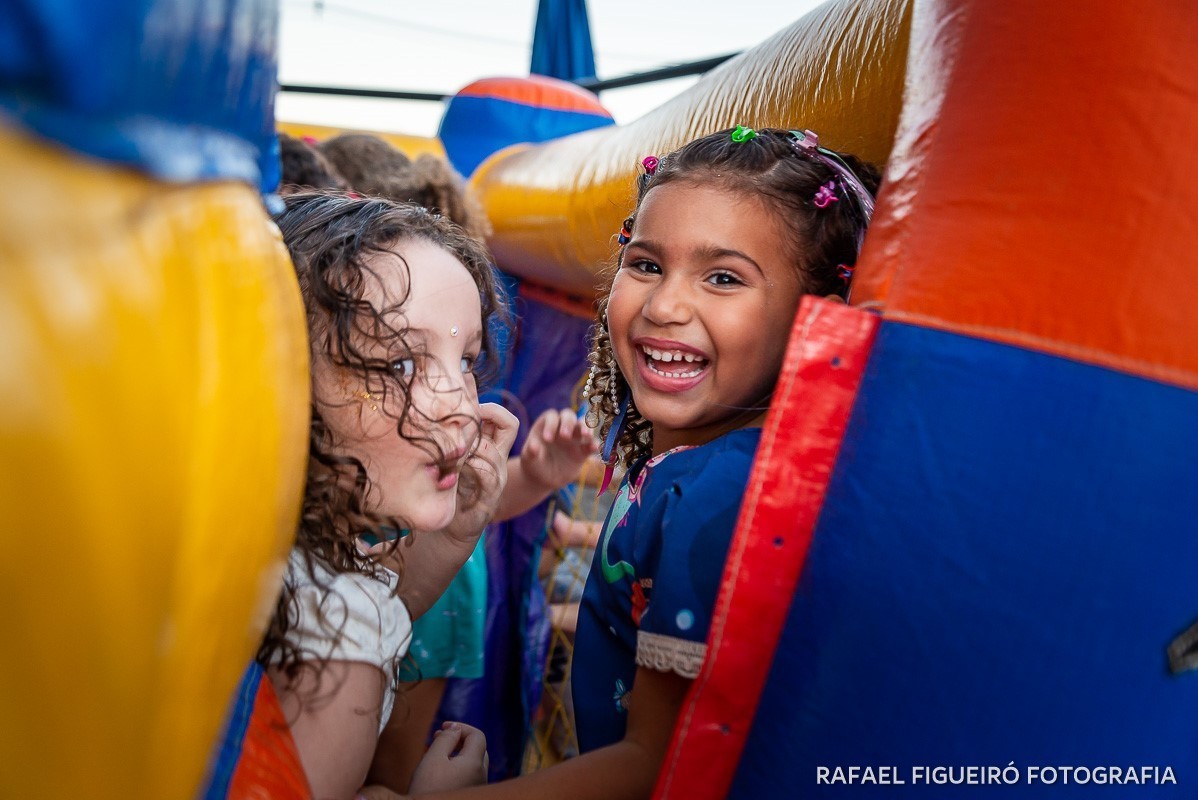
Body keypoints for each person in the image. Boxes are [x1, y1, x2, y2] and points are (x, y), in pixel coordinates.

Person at [367, 124, 880, 799]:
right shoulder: (699, 471)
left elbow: (655, 767)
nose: (664, 305)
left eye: (723, 278)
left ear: (815, 319)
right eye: (645, 264)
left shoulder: (720, 492)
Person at [258, 191, 519, 799]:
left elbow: (380, 601)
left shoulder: (284, 541)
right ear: (286, 375)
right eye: (401, 365)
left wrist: (455, 533)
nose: (459, 402)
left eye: (467, 359)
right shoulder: (339, 648)